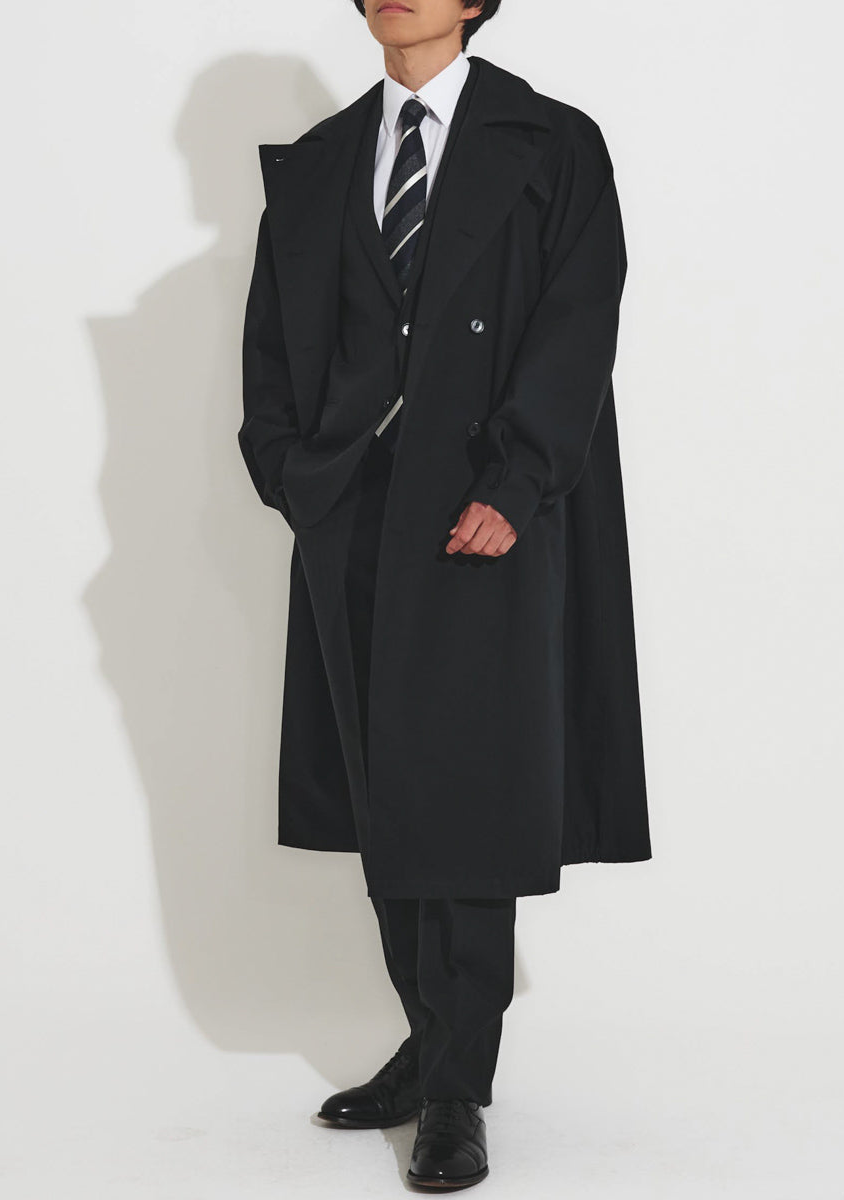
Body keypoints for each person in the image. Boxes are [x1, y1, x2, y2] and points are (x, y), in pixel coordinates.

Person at [238, 0, 651, 1188]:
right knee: (386, 795)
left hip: (479, 506)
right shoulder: (322, 160)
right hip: (352, 512)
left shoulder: (552, 142)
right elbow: (274, 334)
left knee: (469, 795)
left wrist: (518, 481)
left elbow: (579, 320)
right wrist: (289, 472)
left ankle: (459, 1090)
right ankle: (428, 1043)